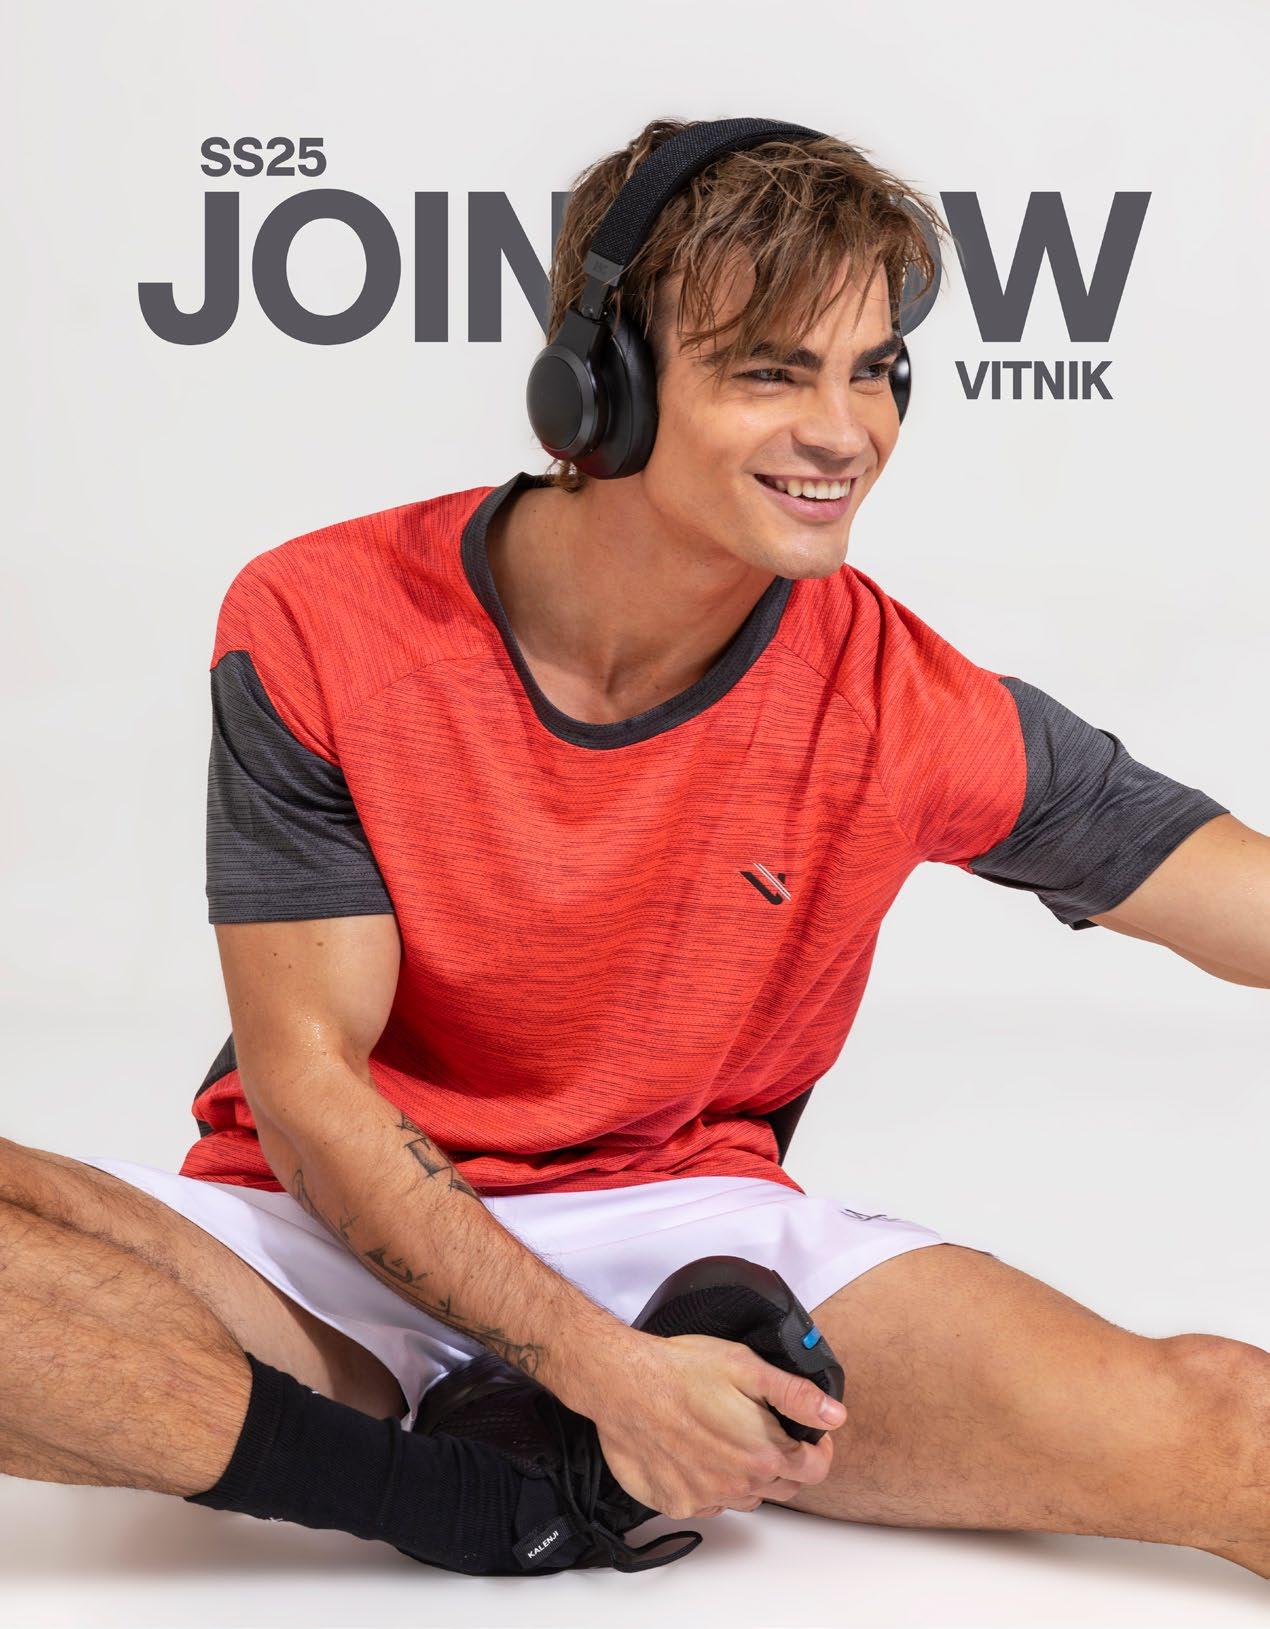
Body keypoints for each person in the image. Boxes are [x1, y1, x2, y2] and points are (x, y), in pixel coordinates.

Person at [2, 115, 1267, 1580]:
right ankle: (471, 1495)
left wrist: (639, 1360)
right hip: (318, 1239)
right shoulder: (321, 620)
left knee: (1225, 1429)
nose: (843, 431)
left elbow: (1238, 901)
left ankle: (511, 1456)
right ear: (597, 389)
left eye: (872, 371)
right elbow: (307, 1087)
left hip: (679, 1241)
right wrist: (598, 1372)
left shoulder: (896, 698)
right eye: (770, 372)